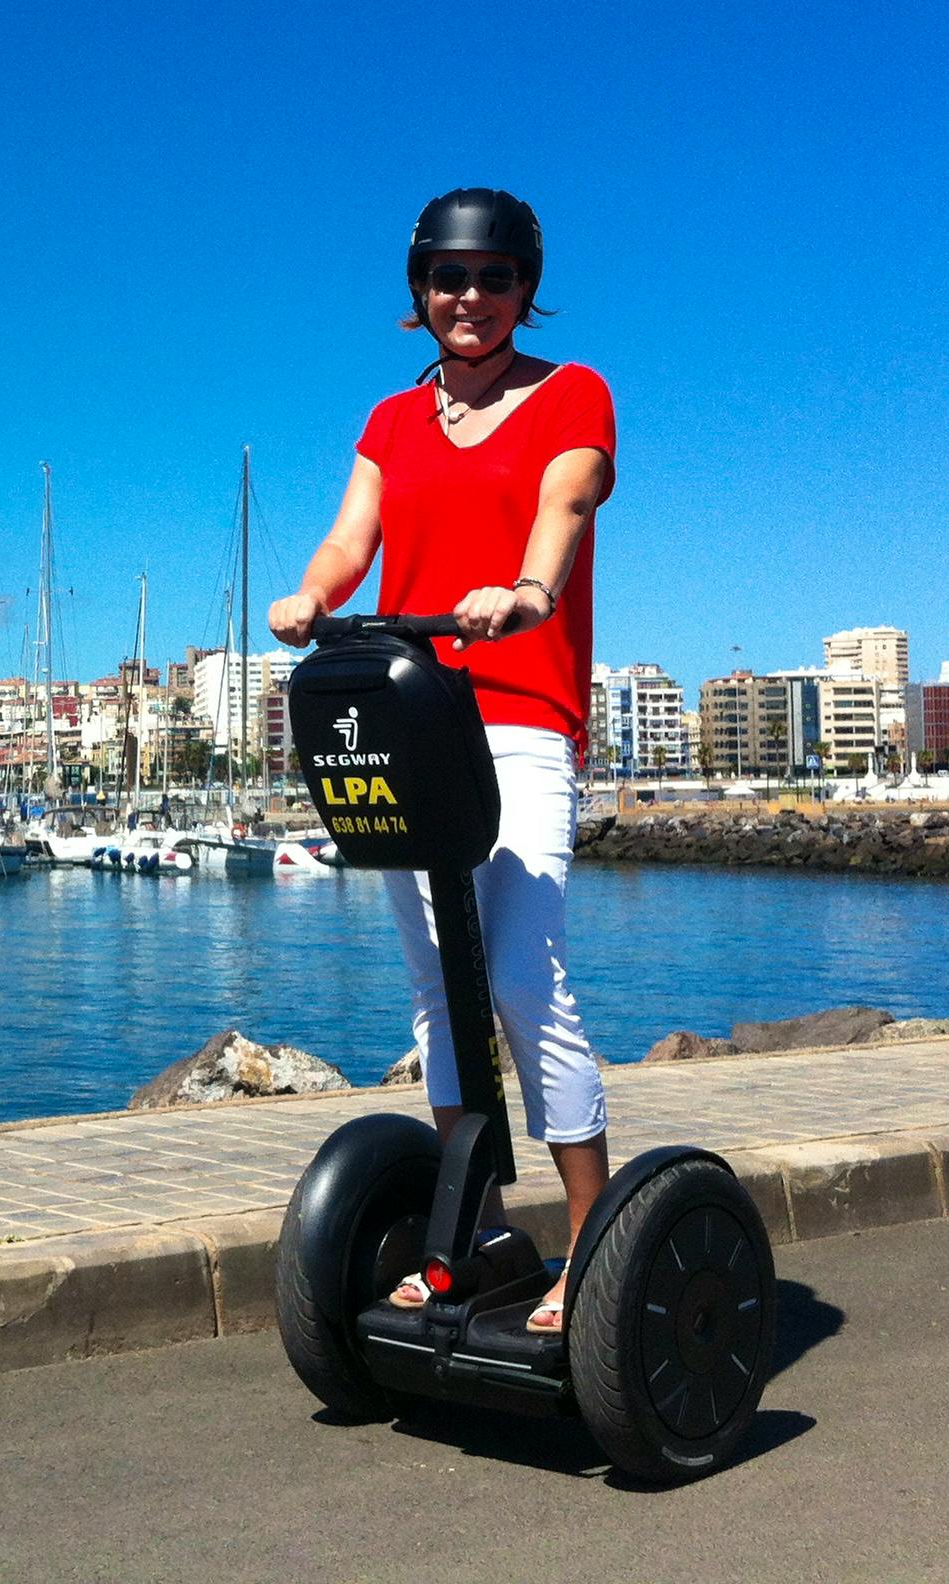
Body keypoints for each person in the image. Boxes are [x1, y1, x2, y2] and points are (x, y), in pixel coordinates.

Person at [267, 186, 613, 1334]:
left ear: (526, 288)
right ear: (419, 289)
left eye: (494, 277)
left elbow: (567, 501)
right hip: (412, 717)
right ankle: (477, 1234)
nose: (470, 297)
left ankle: (593, 1242)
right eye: (449, 278)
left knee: (519, 978)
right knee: (439, 993)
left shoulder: (572, 393)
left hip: (521, 716)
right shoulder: (392, 420)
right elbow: (350, 536)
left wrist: (528, 591)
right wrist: (312, 594)